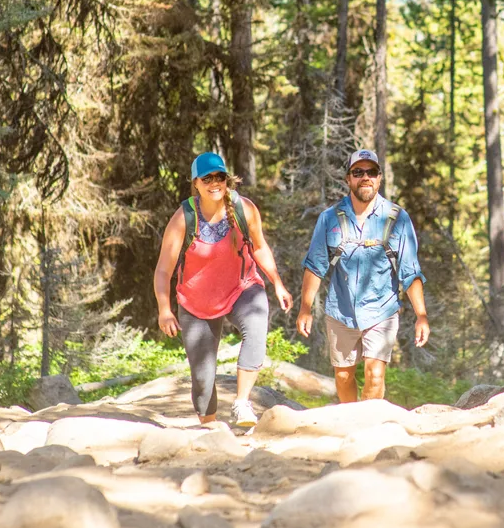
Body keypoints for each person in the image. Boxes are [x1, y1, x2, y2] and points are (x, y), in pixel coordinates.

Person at [153, 152, 293, 427]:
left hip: (241, 287)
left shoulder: (244, 209)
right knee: (203, 381)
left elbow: (260, 247)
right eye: (208, 178)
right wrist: (164, 309)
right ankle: (210, 428)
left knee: (256, 324)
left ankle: (242, 403)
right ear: (196, 183)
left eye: (220, 177)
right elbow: (163, 270)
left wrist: (277, 283)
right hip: (196, 302)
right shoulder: (184, 217)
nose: (215, 183)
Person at [297, 149, 430, 402]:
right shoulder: (329, 219)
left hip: (382, 311)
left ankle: (369, 429)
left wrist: (421, 315)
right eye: (358, 172)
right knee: (344, 377)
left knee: (375, 374)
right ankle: (350, 423)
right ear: (348, 179)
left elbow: (410, 272)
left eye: (371, 172)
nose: (365, 178)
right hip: (340, 310)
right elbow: (315, 266)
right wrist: (305, 308)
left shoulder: (398, 219)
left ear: (380, 178)